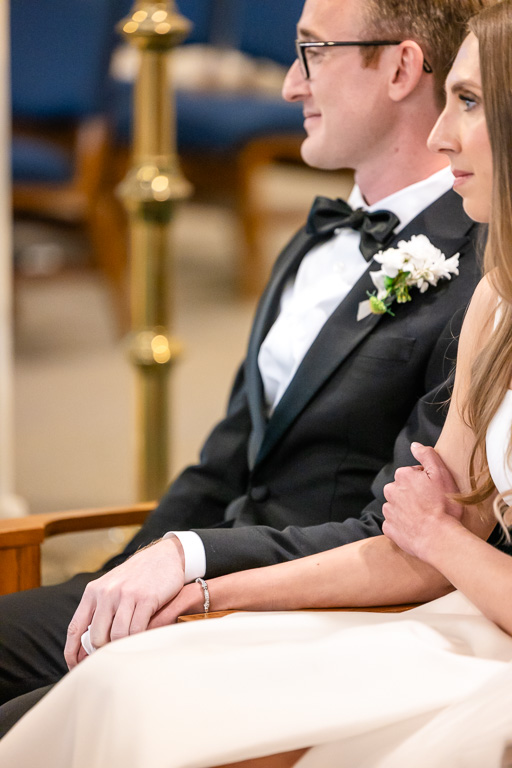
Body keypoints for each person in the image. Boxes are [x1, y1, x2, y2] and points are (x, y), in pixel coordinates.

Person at [1, 4, 512, 765]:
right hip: (244, 579)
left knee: (94, 713)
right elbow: (227, 458)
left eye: (313, 51)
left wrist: (201, 578)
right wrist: (129, 573)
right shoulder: (486, 296)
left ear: (403, 68)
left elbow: (420, 535)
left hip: (361, 608)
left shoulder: (471, 262)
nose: (286, 86)